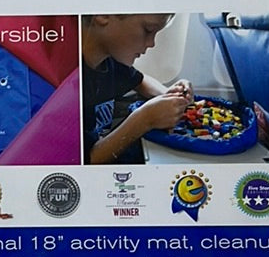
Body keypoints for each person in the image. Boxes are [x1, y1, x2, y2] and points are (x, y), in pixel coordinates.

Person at [81, 13, 193, 165]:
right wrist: (145, 119)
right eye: (148, 30)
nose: (152, 43)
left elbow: (140, 81)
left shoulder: (109, 62)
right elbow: (87, 161)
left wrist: (170, 95)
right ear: (104, 15)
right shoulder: (68, 81)